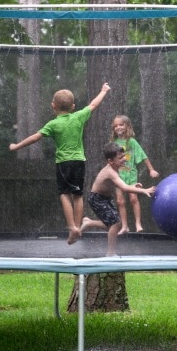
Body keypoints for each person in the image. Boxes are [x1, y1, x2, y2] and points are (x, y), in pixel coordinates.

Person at [9, 82, 111, 245]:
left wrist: (17, 146)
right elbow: (93, 104)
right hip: (79, 162)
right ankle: (78, 227)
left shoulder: (53, 124)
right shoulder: (78, 116)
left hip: (63, 164)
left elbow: (35, 137)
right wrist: (103, 91)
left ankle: (72, 227)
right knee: (77, 195)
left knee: (64, 194)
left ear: (53, 106)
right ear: (73, 106)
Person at [80, 142, 156, 255]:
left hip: (105, 198)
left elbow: (121, 185)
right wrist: (144, 190)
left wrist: (132, 186)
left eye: (124, 155)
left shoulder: (116, 167)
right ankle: (110, 253)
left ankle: (89, 222)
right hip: (97, 199)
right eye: (120, 157)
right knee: (115, 224)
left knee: (116, 224)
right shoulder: (110, 171)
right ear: (110, 161)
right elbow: (124, 188)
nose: (125, 159)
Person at [110, 115, 160, 234]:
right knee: (120, 202)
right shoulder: (113, 143)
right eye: (116, 125)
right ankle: (125, 226)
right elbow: (110, 159)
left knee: (133, 198)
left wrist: (151, 170)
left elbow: (143, 156)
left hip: (131, 175)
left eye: (121, 124)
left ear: (127, 126)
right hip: (118, 176)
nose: (118, 127)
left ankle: (138, 224)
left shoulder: (131, 141)